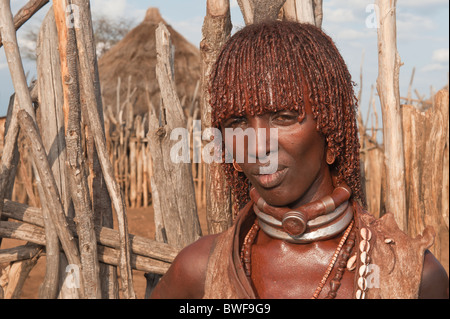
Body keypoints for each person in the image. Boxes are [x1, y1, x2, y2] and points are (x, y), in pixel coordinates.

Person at [150, 21, 448, 299]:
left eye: (283, 117)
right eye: (238, 123)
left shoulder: (411, 277)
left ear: (330, 134)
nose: (257, 145)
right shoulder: (199, 271)